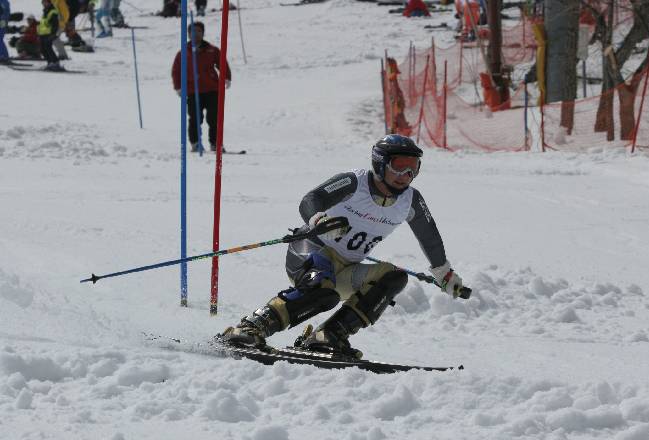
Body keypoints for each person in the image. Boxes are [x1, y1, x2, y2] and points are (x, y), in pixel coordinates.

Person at [221, 134, 467, 359]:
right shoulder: (354, 182)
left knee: (394, 277)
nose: (405, 174)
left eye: (413, 167)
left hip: (347, 267)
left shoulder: (411, 200)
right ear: (380, 163)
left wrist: (443, 272)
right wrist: (319, 220)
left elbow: (429, 236)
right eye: (399, 165)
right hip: (312, 250)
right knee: (322, 291)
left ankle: (328, 335)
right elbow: (311, 200)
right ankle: (250, 327)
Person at [170, 21, 232, 152]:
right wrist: (178, 87)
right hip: (193, 91)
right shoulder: (183, 52)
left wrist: (226, 77)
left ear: (203, 33)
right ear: (188, 34)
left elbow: (222, 63)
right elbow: (176, 70)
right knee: (195, 118)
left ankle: (216, 143)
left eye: (199, 31)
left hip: (212, 89)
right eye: (192, 31)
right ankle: (195, 143)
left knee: (214, 118)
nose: (196, 34)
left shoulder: (212, 50)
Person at [38, 0, 62, 70]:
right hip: (43, 33)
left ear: (49, 3)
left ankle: (55, 62)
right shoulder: (45, 11)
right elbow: (43, 23)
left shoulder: (53, 11)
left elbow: (55, 24)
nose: (43, 4)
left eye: (45, 2)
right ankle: (50, 63)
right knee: (42, 49)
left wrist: (53, 34)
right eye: (43, 2)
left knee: (48, 47)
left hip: (49, 33)